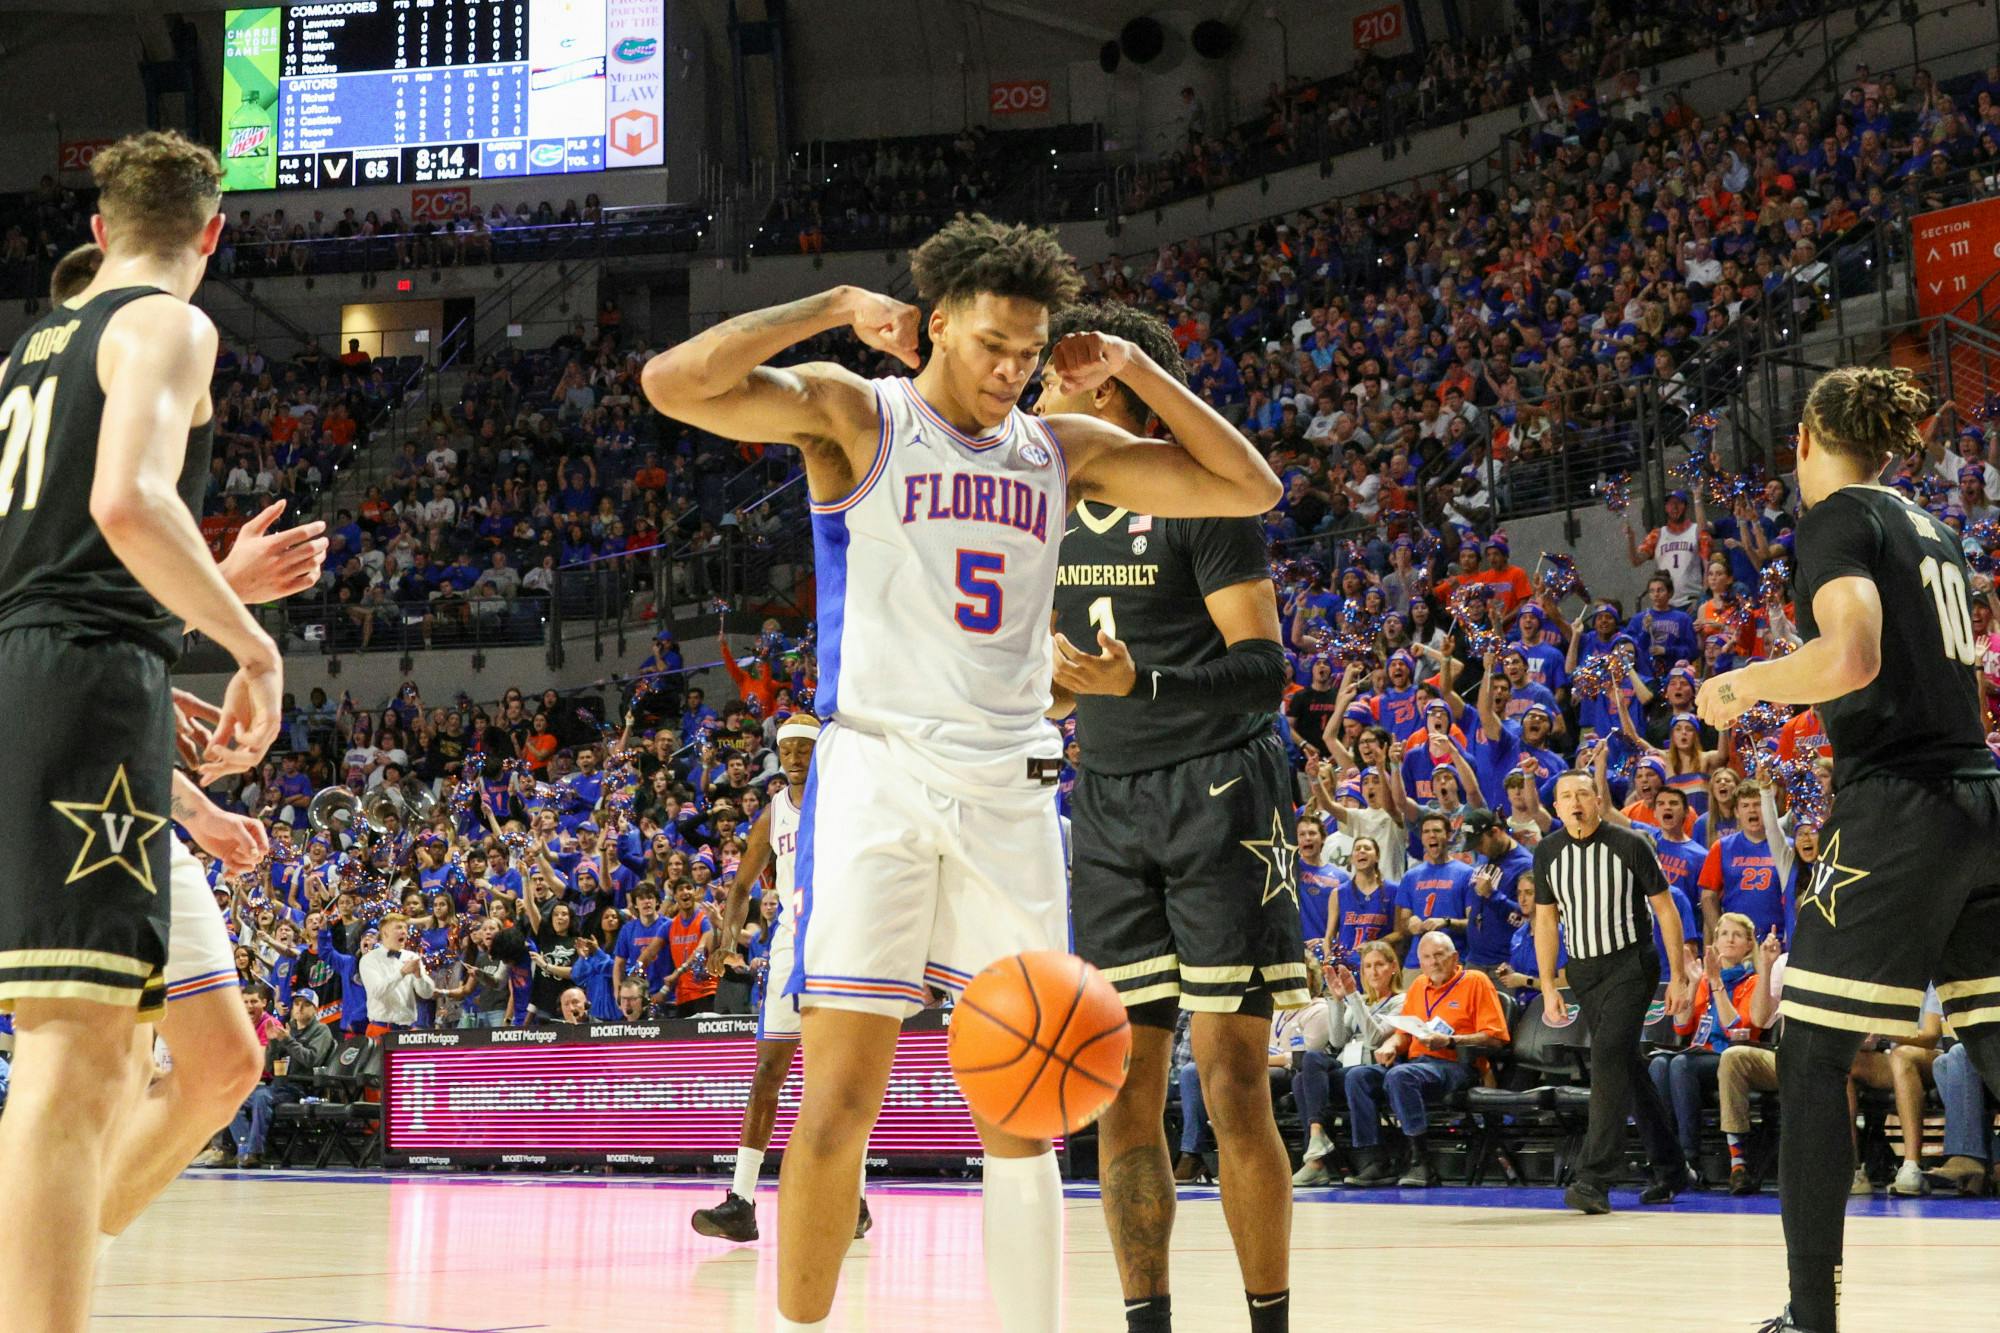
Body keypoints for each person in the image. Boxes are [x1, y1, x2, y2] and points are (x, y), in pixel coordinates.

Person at [642, 214, 1281, 1333]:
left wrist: (1130, 369)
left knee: (1025, 1108)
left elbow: (1247, 488)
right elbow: (672, 382)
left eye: (1029, 354)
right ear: (933, 324)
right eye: (991, 344)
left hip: (1009, 785)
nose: (1011, 370)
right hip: (876, 774)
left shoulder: (1058, 445)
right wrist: (834, 307)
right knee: (841, 1091)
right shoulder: (857, 413)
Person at [0, 131, 284, 1329]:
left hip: (47, 667)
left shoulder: (30, 348)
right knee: (82, 1059)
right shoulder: (168, 324)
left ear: (102, 227)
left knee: (125, 1055)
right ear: (211, 235)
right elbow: (127, 500)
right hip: (79, 672)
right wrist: (251, 642)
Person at [1696, 366, 2000, 1333]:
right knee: (1996, 1039)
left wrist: (1742, 683)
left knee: (1812, 1050)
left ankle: (1807, 1315)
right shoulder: (1934, 527)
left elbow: (1853, 655)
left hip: (1900, 805)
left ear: (1801, 440)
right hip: (1982, 799)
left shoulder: (1836, 519)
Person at [1041, 300, 1303, 1333]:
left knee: (1233, 1081)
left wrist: (1135, 684)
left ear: (1102, 385)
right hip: (1105, 803)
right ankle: (1143, 1322)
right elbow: (1070, 684)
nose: (1032, 400)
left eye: (1050, 381)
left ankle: (1267, 1322)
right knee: (1120, 1086)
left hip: (1218, 793)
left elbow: (1265, 672)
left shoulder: (1197, 493)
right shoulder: (1038, 505)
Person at [693, 717, 872, 1243]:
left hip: (838, 944)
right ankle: (741, 1202)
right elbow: (742, 885)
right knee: (767, 1073)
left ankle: (854, 1201)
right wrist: (725, 941)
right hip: (790, 947)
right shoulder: (774, 814)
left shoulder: (846, 798)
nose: (795, 758)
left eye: (805, 750)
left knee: (835, 1080)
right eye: (787, 751)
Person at [1533, 770, 1694, 1214]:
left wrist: (1679, 975)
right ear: (1558, 806)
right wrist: (1549, 984)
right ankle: (1672, 1167)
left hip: (1631, 964)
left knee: (1606, 1056)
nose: (1575, 801)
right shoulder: (1547, 852)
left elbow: (1665, 909)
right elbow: (1545, 921)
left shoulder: (1630, 844)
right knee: (1627, 1067)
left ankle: (1593, 1178)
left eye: (1583, 792)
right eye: (1566, 796)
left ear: (1598, 798)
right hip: (1583, 972)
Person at [1341, 931, 1509, 1187]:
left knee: (1401, 1076)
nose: (1434, 962)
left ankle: (1420, 1161)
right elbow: (1403, 1034)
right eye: (1427, 957)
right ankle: (1375, 1160)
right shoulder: (1419, 985)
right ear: (1420, 962)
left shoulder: (1476, 981)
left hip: (1457, 1065)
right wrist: (1391, 1044)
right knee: (1358, 1076)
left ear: (1454, 958)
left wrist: (1451, 1041)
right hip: (1416, 1064)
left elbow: (1495, 1039)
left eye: (1439, 955)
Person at [1291, 941, 1404, 1186]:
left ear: (1393, 967)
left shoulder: (1401, 1001)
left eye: (1379, 965)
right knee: (1304, 1071)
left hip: (1377, 1069)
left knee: (1355, 1077)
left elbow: (1374, 1039)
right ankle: (1317, 1147)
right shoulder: (1360, 1000)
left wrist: (1353, 997)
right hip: (1348, 1068)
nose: (1373, 972)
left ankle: (1371, 1159)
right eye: (1367, 966)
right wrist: (1336, 1000)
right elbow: (1337, 1039)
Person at [357, 913, 434, 1037]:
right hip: (381, 1029)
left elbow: (427, 994)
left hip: (408, 1031)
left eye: (405, 928)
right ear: (385, 933)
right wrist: (402, 973)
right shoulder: (369, 959)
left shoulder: (412, 957)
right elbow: (377, 992)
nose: (404, 931)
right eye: (399, 928)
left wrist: (419, 976)